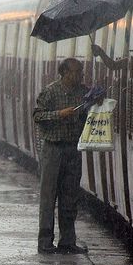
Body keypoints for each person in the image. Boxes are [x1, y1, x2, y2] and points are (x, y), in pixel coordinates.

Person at [33, 58, 88, 254]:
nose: (79, 75)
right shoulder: (50, 91)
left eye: (80, 72)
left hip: (73, 149)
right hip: (53, 150)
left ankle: (68, 241)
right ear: (64, 72)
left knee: (70, 197)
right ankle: (45, 241)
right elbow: (37, 116)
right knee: (49, 197)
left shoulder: (83, 92)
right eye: (75, 72)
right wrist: (59, 114)